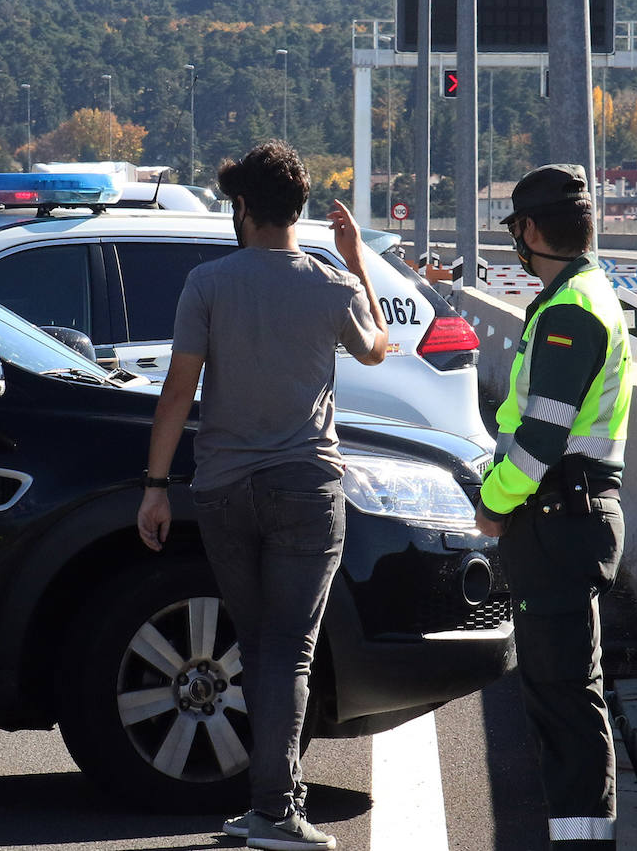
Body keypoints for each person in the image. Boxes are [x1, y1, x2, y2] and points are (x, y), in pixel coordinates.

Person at [137, 141, 387, 851]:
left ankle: (269, 807)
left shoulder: (207, 283)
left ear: (242, 207)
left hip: (222, 492)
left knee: (258, 644)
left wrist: (155, 487)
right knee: (291, 652)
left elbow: (177, 395)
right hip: (308, 490)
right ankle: (277, 809)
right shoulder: (332, 283)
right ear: (299, 210)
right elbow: (377, 349)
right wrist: (359, 260)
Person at [473, 164, 633, 850]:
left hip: (558, 519)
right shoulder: (585, 294)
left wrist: (492, 500)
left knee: (564, 701)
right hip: (567, 521)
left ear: (533, 231)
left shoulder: (570, 310)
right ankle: (579, 837)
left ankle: (582, 842)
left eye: (517, 229)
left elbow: (540, 437)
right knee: (565, 693)